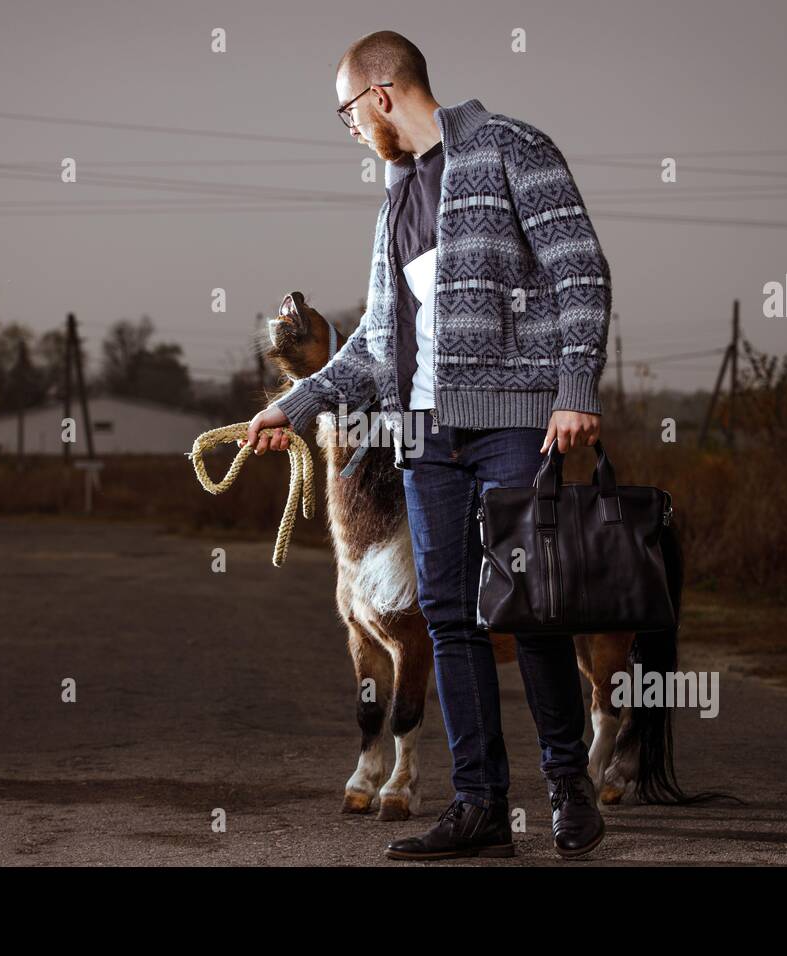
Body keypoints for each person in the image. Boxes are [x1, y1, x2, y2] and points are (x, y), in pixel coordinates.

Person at [245, 30, 611, 861]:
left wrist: (576, 389)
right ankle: (480, 806)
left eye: (346, 114)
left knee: (530, 605)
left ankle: (566, 787)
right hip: (424, 435)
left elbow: (579, 269)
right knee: (449, 619)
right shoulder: (397, 200)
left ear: (379, 96)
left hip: (516, 422)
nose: (349, 130)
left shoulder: (514, 149)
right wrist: (294, 404)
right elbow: (377, 337)